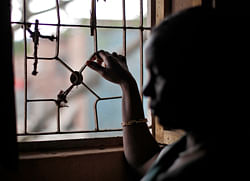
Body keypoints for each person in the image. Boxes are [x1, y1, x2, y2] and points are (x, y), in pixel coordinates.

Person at [87, 6, 249, 181]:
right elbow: (143, 160)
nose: (147, 91)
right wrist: (127, 84)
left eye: (159, 76)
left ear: (203, 76)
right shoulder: (187, 146)